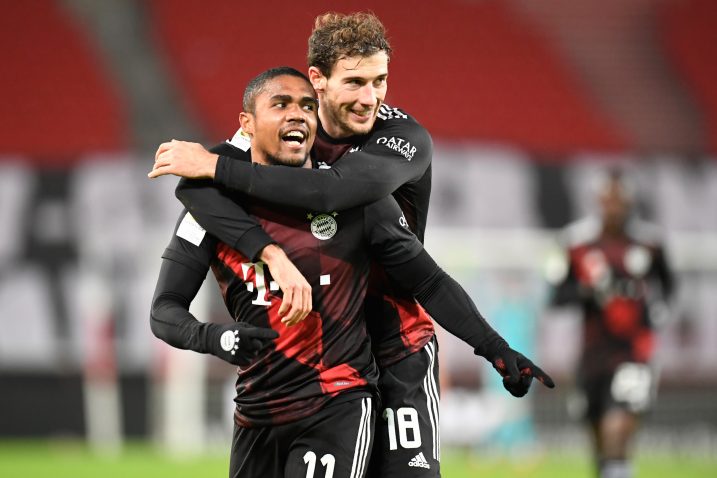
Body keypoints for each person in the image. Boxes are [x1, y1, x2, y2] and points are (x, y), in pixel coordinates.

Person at [149, 12, 549, 476]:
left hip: (395, 340)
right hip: (321, 347)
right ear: (318, 81)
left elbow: (333, 195)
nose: (370, 98)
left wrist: (494, 348)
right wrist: (267, 250)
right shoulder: (291, 126)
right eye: (355, 82)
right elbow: (195, 189)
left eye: (380, 81)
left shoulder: (402, 138)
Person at [548, 169, 675, 478]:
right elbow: (556, 295)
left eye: (621, 199)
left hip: (634, 352)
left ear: (630, 201)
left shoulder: (650, 244)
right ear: (599, 200)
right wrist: (586, 293)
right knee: (600, 444)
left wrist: (658, 310)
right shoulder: (576, 243)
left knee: (616, 432)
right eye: (609, 199)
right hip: (592, 357)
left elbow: (668, 284)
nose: (615, 206)